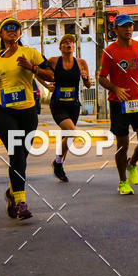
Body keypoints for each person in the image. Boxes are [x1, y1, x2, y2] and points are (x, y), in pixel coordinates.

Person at [0, 18, 54, 221]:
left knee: (22, 157)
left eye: (15, 27)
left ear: (19, 33)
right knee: (16, 153)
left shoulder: (30, 53)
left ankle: (12, 192)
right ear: (1, 35)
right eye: (7, 28)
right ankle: (21, 203)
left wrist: (32, 68)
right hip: (3, 111)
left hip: (28, 112)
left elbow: (50, 75)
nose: (12, 30)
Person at [99, 14, 138, 195]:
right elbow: (101, 78)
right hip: (119, 104)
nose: (128, 29)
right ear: (115, 30)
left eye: (130, 26)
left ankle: (132, 163)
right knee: (122, 145)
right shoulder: (109, 52)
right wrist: (115, 88)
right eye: (124, 26)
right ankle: (123, 181)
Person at [46, 34, 91, 182]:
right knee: (72, 133)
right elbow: (38, 72)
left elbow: (88, 85)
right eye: (65, 43)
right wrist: (46, 85)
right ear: (60, 47)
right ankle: (57, 162)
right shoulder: (53, 61)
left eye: (70, 42)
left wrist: (85, 78)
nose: (68, 44)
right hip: (58, 105)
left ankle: (60, 167)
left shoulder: (81, 63)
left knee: (66, 137)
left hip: (73, 105)